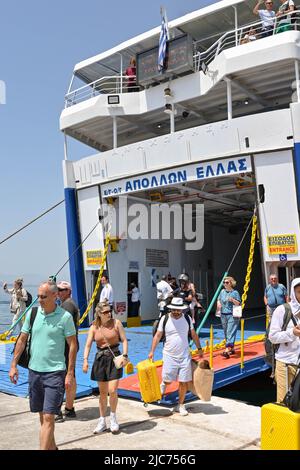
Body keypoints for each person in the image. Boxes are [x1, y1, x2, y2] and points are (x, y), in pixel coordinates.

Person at [8, 281, 77, 450]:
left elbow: (73, 345)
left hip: (55, 373)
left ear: (55, 296)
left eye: (43, 296)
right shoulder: (32, 314)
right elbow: (22, 339)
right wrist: (13, 365)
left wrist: (69, 372)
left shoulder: (65, 317)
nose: (39, 300)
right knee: (42, 417)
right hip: (34, 372)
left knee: (48, 419)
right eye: (38, 296)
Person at [149, 297, 203, 416]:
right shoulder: (165, 319)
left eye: (178, 310)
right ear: (171, 309)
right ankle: (164, 383)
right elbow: (158, 335)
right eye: (174, 309)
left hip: (184, 355)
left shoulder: (188, 319)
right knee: (168, 380)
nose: (176, 312)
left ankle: (181, 405)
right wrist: (152, 351)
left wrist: (199, 349)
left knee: (183, 382)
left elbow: (193, 334)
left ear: (182, 310)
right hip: (169, 355)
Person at [82, 300, 128, 434]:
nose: (109, 314)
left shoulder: (116, 323)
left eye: (110, 311)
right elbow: (88, 345)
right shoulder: (94, 327)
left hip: (115, 358)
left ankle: (113, 417)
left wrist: (125, 355)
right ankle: (102, 420)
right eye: (106, 312)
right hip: (101, 359)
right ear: (99, 313)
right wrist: (85, 360)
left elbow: (124, 340)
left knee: (112, 390)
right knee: (102, 393)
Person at [269, 278, 300, 403]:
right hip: (286, 364)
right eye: (299, 292)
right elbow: (273, 337)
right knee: (283, 402)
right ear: (293, 293)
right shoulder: (282, 310)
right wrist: (292, 333)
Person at [55, 281, 80, 422]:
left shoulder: (67, 305)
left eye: (62, 290)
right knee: (71, 375)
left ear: (68, 291)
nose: (59, 291)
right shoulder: (68, 303)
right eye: (57, 289)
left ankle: (58, 410)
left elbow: (62, 325)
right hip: (71, 344)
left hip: (66, 346)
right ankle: (69, 408)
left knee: (60, 376)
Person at [217, 276, 241, 359]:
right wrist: (218, 304)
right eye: (224, 282)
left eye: (227, 282)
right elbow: (219, 299)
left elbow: (238, 303)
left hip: (232, 314)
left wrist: (233, 300)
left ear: (231, 283)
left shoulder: (235, 293)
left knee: (230, 331)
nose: (225, 284)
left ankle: (227, 350)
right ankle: (232, 348)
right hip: (223, 314)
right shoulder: (222, 291)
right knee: (226, 332)